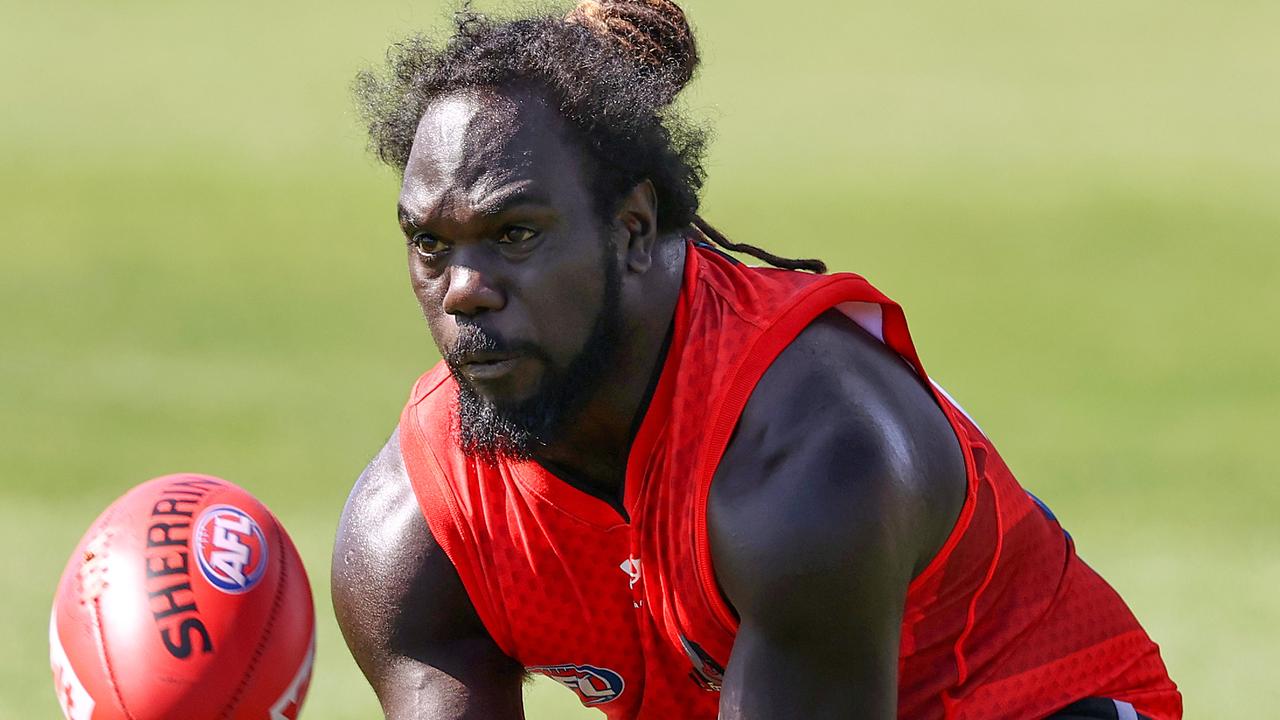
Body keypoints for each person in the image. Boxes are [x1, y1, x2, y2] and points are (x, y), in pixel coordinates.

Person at [330, 1, 1182, 718]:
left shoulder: (809, 458)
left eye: (515, 234)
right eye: (430, 244)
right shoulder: (413, 533)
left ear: (631, 230)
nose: (465, 289)